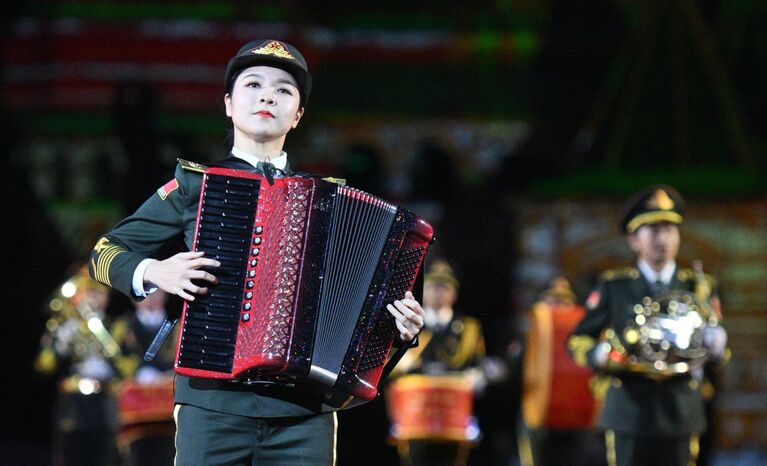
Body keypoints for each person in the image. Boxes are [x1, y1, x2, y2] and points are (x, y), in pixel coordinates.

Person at [88, 39, 426, 466]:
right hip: (212, 405)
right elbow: (105, 250)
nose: (268, 95)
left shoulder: (331, 200)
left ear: (298, 115)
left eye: (285, 90)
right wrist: (157, 270)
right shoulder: (196, 185)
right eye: (253, 84)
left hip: (305, 411)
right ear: (228, 104)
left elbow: (358, 307)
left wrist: (401, 326)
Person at [566, 185, 729, 466]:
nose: (663, 238)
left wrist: (717, 348)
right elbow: (577, 341)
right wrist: (600, 354)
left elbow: (716, 359)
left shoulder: (698, 286)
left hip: (680, 410)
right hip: (629, 410)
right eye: (653, 230)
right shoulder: (614, 286)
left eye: (669, 229)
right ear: (633, 240)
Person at [388, 259, 496, 466]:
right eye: (432, 286)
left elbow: (477, 367)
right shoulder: (408, 326)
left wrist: (476, 379)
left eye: (444, 287)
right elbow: (387, 369)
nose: (438, 292)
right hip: (415, 411)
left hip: (452, 413)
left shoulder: (469, 328)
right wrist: (401, 365)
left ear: (454, 293)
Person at [34, 267, 122, 466]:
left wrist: (99, 332)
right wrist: (61, 341)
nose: (91, 299)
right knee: (71, 455)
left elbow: (127, 367)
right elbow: (43, 366)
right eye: (87, 293)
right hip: (73, 404)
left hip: (106, 401)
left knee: (106, 457)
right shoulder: (64, 327)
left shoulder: (116, 326)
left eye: (98, 293)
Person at [111, 289, 176, 466]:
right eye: (145, 293)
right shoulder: (123, 325)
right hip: (133, 407)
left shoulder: (178, 324)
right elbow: (113, 358)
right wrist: (135, 373)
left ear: (166, 294)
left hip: (168, 406)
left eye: (157, 292)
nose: (151, 298)